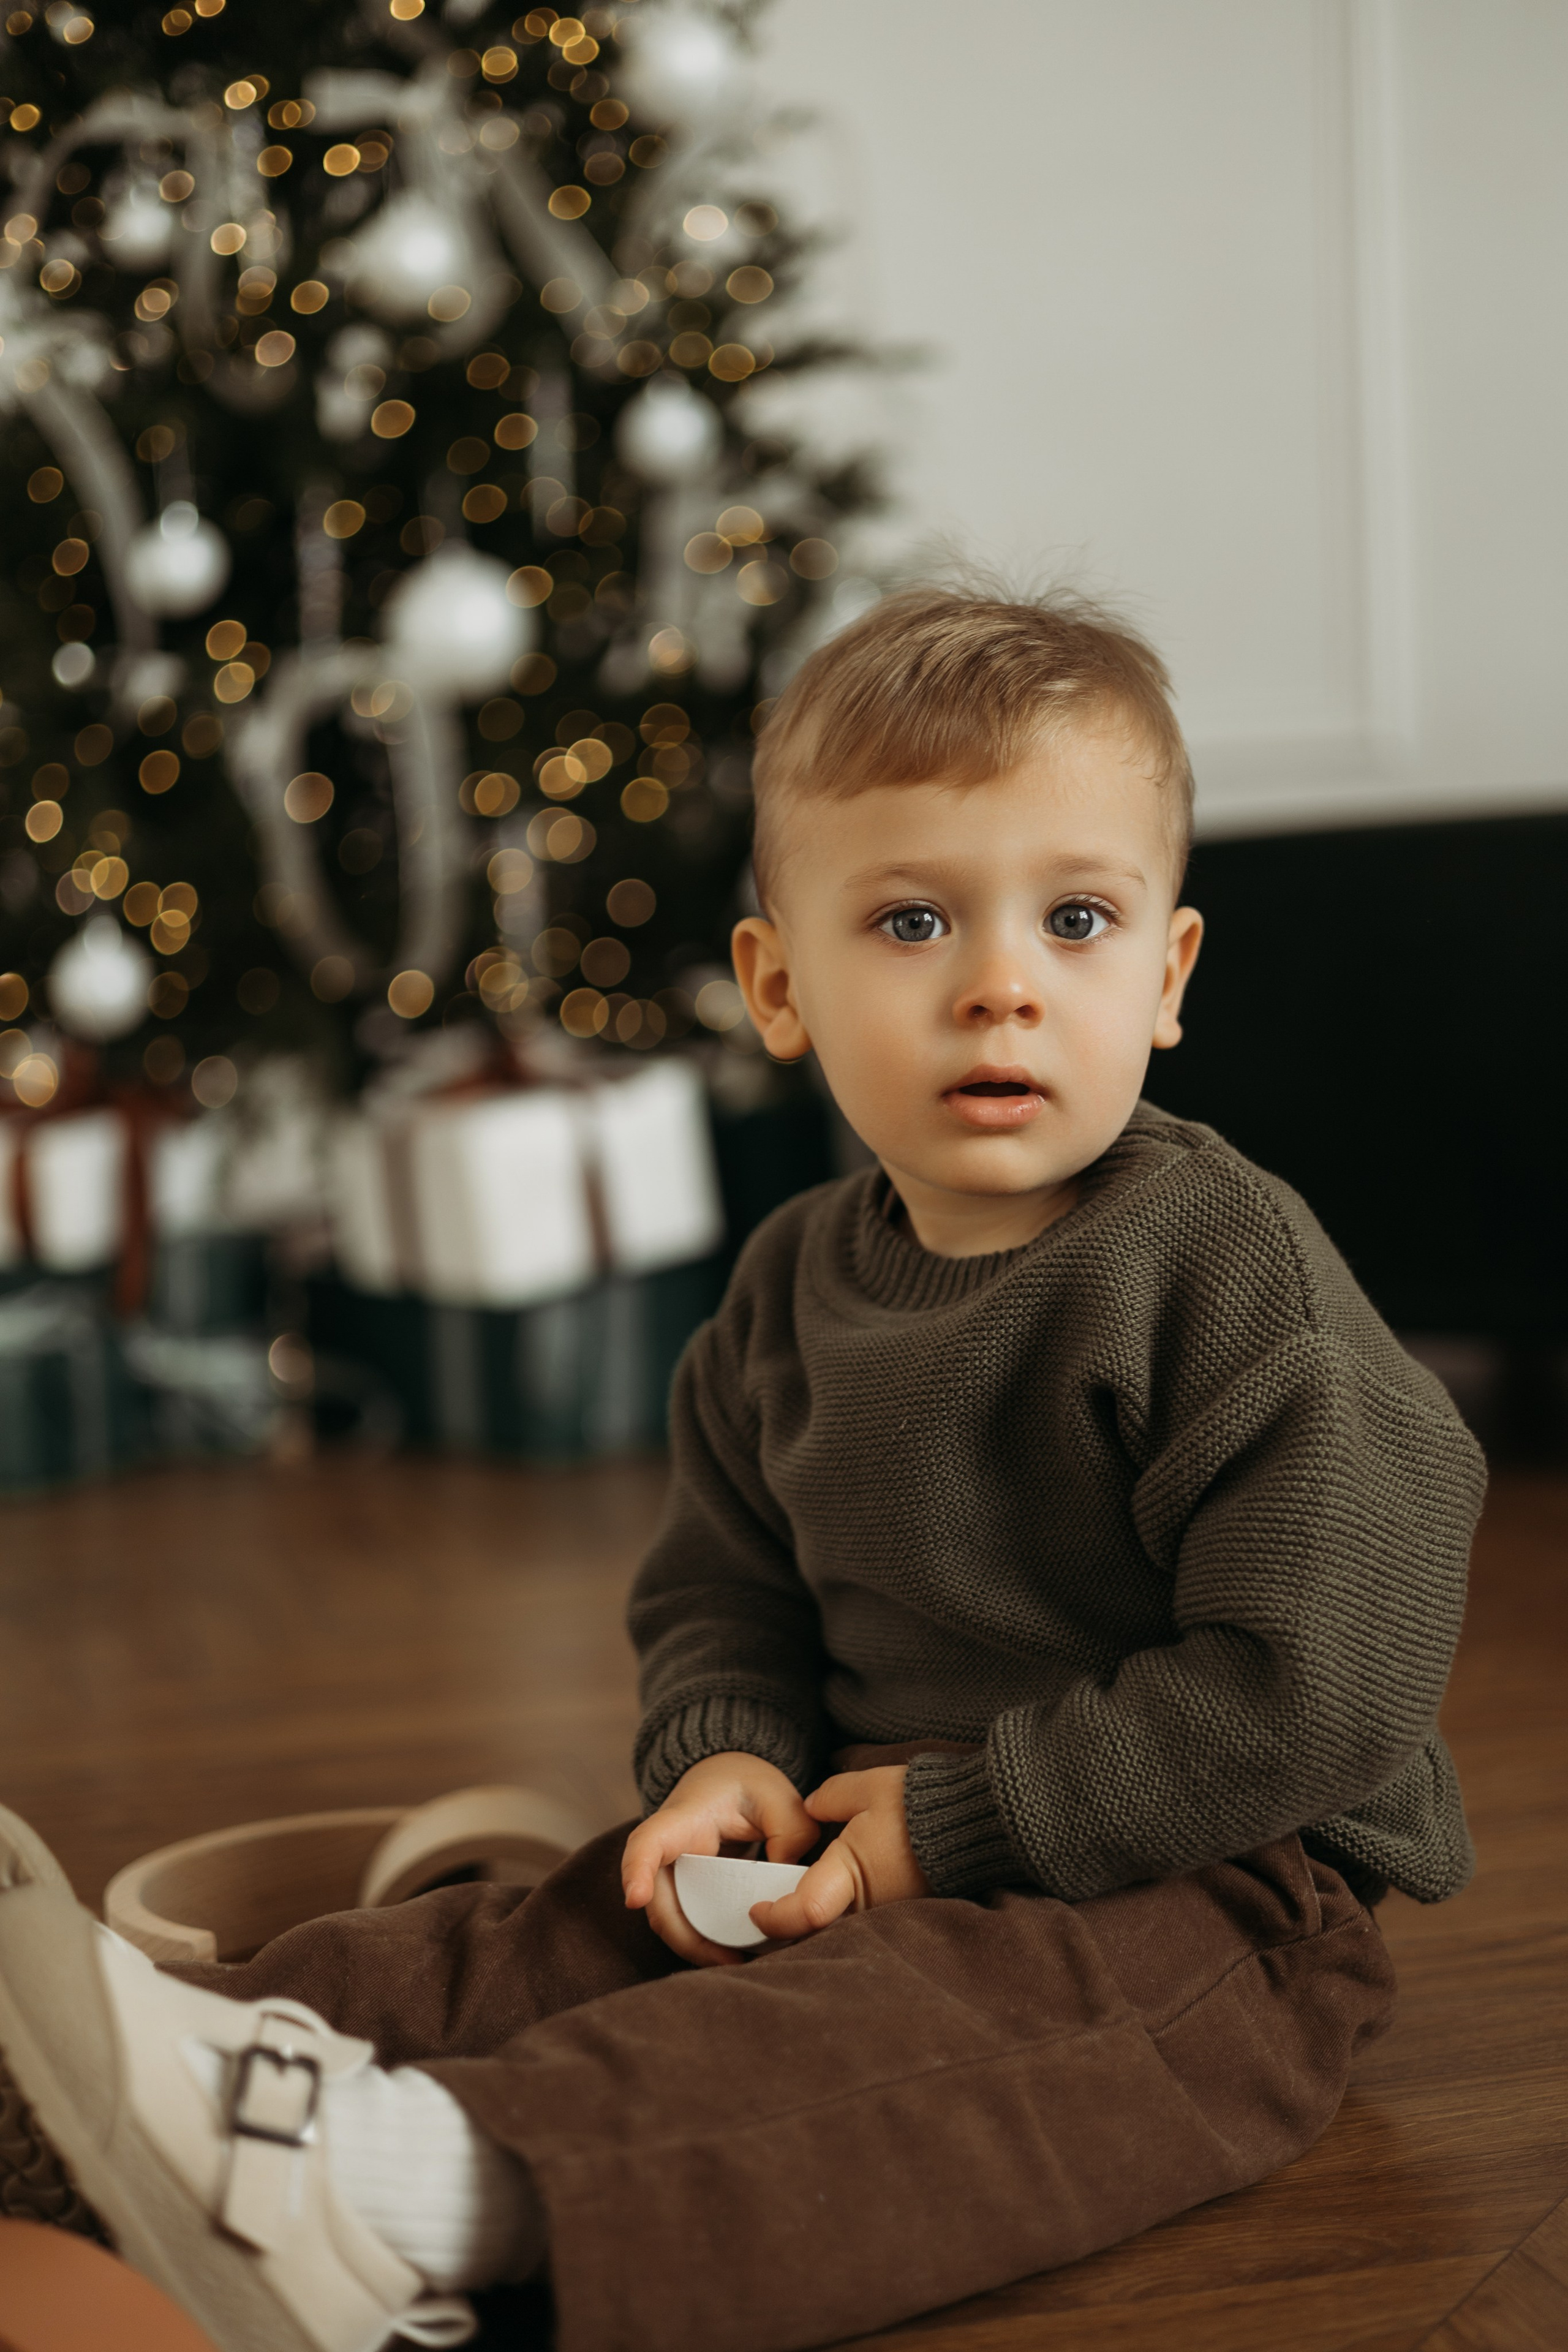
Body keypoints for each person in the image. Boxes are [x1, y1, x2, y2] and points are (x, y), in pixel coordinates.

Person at [0, 587, 1485, 2352]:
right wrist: (725, 1761)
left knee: (902, 2041)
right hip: (869, 1827)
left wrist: (968, 1826)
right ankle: (155, 2054)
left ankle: (418, 2191)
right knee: (556, 1933)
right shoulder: (790, 1283)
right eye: (915, 920)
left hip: (1216, 1882)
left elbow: (1324, 1681)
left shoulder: (1222, 1271)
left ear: (1164, 977)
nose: (1002, 983)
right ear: (782, 987)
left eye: (1077, 919)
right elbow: (726, 1590)